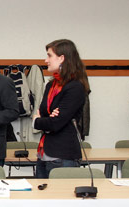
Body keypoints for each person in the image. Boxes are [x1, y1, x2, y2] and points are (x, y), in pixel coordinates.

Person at [33, 39, 90, 178]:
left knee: (61, 198)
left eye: (49, 55)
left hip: (63, 155)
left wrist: (38, 121)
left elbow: (55, 123)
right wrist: (48, 119)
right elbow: (46, 115)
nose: (45, 60)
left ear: (62, 58)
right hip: (44, 154)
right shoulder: (50, 85)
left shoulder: (75, 87)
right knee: (40, 198)